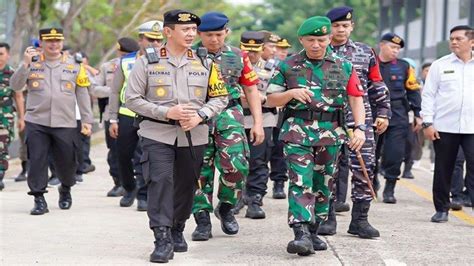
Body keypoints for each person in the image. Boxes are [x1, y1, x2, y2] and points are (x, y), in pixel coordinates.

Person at [125, 10, 228, 263]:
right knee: (160, 181)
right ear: (168, 31)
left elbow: (220, 97)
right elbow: (132, 99)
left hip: (194, 134)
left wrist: (201, 115)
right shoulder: (147, 62)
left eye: (194, 29)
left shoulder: (206, 63)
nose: (192, 34)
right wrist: (165, 112)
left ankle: (177, 228)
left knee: (186, 184)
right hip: (156, 133)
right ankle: (161, 238)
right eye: (186, 30)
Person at [266, 16, 366, 256]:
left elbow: (355, 98)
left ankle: (313, 230)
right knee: (301, 181)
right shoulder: (287, 65)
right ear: (301, 39)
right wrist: (290, 93)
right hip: (296, 132)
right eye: (310, 40)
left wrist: (360, 127)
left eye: (321, 40)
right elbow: (270, 99)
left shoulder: (344, 65)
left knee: (324, 185)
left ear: (329, 38)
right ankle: (300, 232)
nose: (316, 45)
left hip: (331, 134)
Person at [190, 12, 264, 241]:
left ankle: (226, 206)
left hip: (229, 115)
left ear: (227, 33)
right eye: (208, 35)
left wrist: (257, 123)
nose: (214, 39)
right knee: (198, 170)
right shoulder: (188, 55)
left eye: (218, 34)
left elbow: (251, 89)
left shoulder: (238, 56)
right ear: (199, 34)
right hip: (197, 116)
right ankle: (201, 218)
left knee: (236, 165)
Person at [318, 6, 390, 239]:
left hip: (361, 119)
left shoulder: (365, 52)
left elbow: (376, 84)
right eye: (336, 26)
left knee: (364, 168)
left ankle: (360, 220)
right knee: (329, 168)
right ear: (329, 28)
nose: (341, 30)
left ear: (352, 27)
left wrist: (383, 112)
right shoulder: (318, 51)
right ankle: (327, 218)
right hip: (328, 120)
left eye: (345, 25)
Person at [10, 28, 93, 215]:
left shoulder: (74, 65)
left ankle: (66, 188)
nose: (54, 44)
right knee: (37, 160)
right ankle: (39, 198)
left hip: (65, 122)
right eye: (49, 41)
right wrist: (25, 65)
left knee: (67, 162)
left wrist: (87, 120)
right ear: (41, 42)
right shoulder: (32, 64)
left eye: (57, 40)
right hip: (36, 121)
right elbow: (15, 85)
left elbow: (82, 94)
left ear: (62, 42)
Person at [421, 25, 474, 223]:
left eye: (459, 38)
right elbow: (428, 95)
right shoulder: (440, 65)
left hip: (472, 127)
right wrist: (427, 122)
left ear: (472, 42)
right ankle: (441, 208)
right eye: (452, 38)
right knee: (444, 169)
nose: (453, 42)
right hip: (444, 127)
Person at [109, 20, 164, 211]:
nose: (155, 44)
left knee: (146, 156)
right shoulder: (126, 61)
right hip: (127, 114)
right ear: (141, 40)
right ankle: (129, 187)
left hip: (152, 115)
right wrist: (112, 118)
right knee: (123, 155)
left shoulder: (166, 60)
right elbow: (115, 91)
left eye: (158, 40)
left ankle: (143, 194)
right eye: (150, 39)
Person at [240, 30, 281, 218]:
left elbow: (275, 96)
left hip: (263, 119)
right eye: (247, 50)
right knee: (236, 161)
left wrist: (258, 98)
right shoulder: (233, 65)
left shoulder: (272, 68)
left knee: (259, 160)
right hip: (238, 118)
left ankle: (255, 199)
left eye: (255, 50)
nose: (251, 54)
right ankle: (237, 198)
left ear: (262, 48)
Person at [377, 33, 422, 204]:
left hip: (398, 114)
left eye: (398, 48)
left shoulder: (404, 67)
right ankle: (372, 179)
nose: (395, 51)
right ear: (382, 45)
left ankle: (390, 187)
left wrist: (418, 114)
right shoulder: (370, 63)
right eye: (392, 47)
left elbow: (413, 90)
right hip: (374, 114)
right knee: (372, 152)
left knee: (395, 153)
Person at [93, 37, 140, 196]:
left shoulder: (141, 63)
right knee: (115, 152)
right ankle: (119, 183)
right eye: (122, 53)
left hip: (133, 114)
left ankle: (138, 185)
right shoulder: (108, 67)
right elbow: (94, 88)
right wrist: (116, 90)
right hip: (111, 114)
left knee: (138, 153)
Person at [0, 43, 25, 190]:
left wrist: (22, 118)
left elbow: (19, 96)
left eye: (1, 54)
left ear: (8, 55)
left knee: (2, 146)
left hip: (5, 116)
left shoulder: (12, 74)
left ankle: (1, 174)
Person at [270, 37, 292, 200]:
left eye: (285, 50)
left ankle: (279, 182)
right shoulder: (264, 65)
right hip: (263, 112)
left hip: (281, 114)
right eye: (279, 49)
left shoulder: (290, 66)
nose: (283, 52)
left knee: (279, 149)